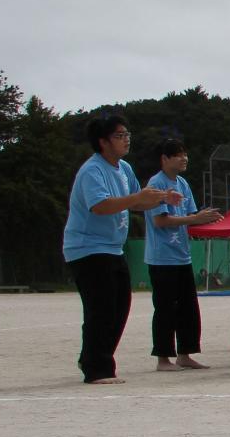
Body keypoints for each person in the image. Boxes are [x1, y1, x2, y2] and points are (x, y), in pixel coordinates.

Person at [64, 114, 176, 384]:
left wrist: (161, 198)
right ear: (102, 142)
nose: (126, 139)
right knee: (101, 308)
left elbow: (136, 202)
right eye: (119, 135)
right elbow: (100, 206)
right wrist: (138, 198)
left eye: (127, 134)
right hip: (87, 247)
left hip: (112, 248)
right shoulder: (93, 170)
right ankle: (97, 368)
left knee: (119, 307)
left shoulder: (124, 168)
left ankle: (92, 357)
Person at [143, 137, 220, 370]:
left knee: (188, 307)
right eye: (178, 154)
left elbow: (192, 217)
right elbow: (160, 220)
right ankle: (163, 358)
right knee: (166, 307)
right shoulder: (156, 184)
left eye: (185, 153)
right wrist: (195, 219)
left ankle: (185, 354)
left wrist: (209, 219)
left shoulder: (183, 184)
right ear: (164, 159)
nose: (184, 158)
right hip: (162, 257)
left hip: (182, 255)